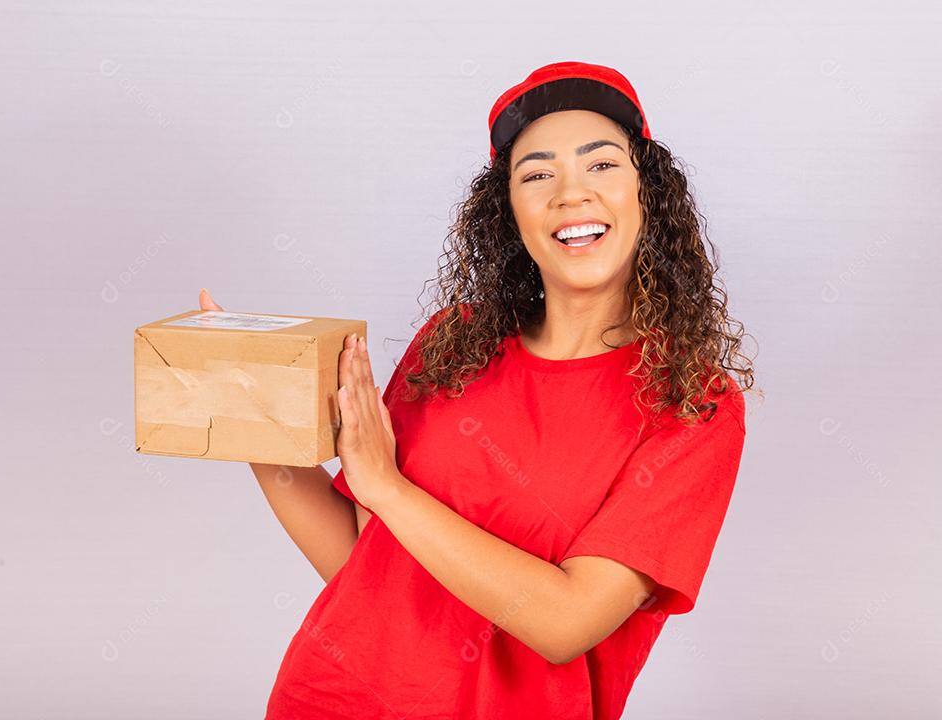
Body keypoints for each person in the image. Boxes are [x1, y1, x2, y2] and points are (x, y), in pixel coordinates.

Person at [205, 59, 757, 720]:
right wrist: (253, 413)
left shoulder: (692, 403)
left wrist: (387, 486)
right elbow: (365, 566)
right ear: (510, 213)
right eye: (537, 175)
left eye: (601, 164)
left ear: (649, 191)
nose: (570, 194)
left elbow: (566, 622)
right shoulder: (452, 343)